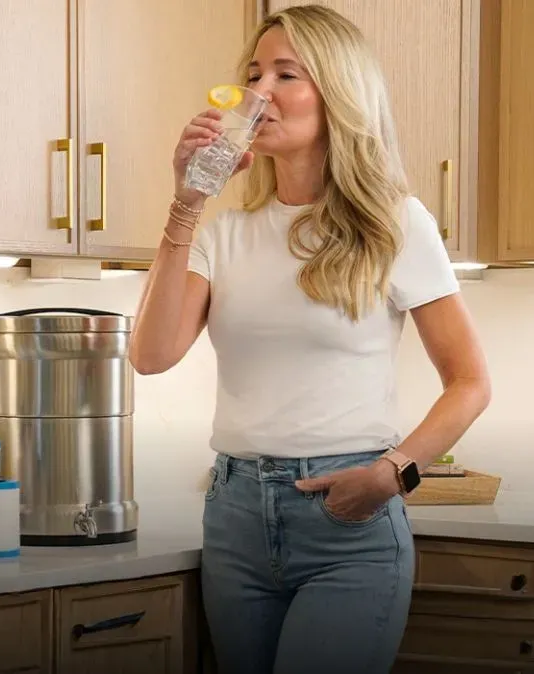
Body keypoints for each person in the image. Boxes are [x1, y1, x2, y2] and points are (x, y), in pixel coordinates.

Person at [129, 4, 491, 673]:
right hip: (234, 516)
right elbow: (150, 356)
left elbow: (470, 383)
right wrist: (186, 201)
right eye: (253, 73)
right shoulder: (225, 234)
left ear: (338, 95)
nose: (258, 92)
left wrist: (391, 473)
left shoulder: (397, 225)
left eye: (285, 74)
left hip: (347, 521)